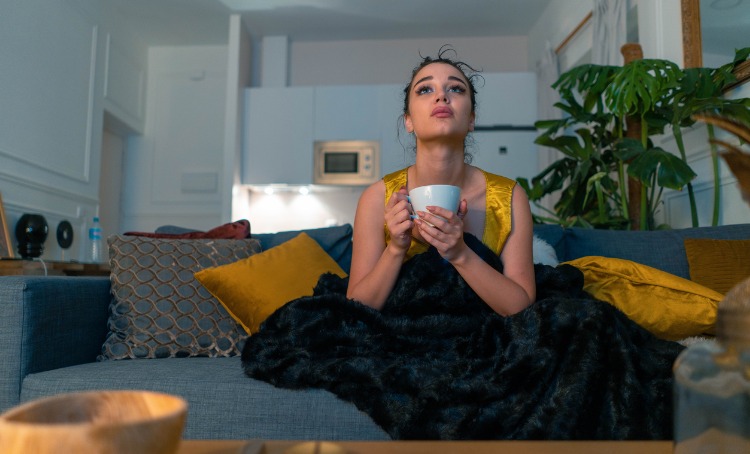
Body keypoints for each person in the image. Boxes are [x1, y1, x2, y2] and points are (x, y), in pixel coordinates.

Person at [346, 47, 536, 316]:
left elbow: (521, 306)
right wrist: (396, 248)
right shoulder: (377, 197)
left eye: (456, 89)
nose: (441, 96)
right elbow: (356, 308)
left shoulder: (509, 197)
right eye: (425, 90)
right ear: (408, 121)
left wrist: (459, 253)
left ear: (471, 119)